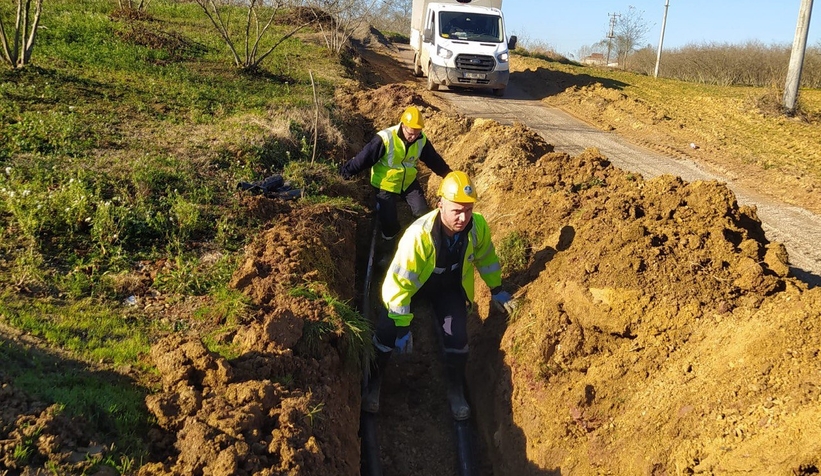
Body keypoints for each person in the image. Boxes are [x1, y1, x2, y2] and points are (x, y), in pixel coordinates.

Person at [362, 171, 517, 420]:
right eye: (456, 210)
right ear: (440, 204)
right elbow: (398, 286)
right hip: (417, 286)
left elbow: (486, 258)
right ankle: (374, 382)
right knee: (387, 330)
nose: (463, 217)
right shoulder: (419, 236)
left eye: (468, 210)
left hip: (448, 285)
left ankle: (456, 390)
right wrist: (402, 328)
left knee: (457, 337)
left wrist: (496, 289)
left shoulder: (477, 226)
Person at [339, 106, 451, 247]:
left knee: (422, 212)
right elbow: (363, 159)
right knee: (389, 222)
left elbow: (433, 160)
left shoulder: (421, 139)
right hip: (385, 184)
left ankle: (422, 241)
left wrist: (448, 175)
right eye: (411, 133)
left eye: (417, 133)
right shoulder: (385, 138)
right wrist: (344, 174)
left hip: (408, 182)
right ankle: (389, 243)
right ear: (403, 125)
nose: (413, 137)